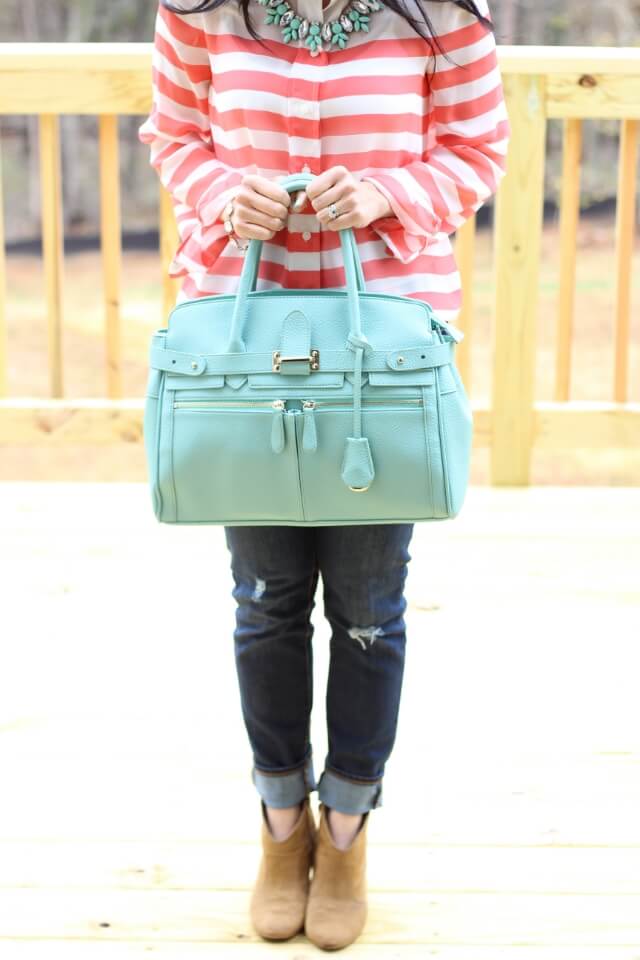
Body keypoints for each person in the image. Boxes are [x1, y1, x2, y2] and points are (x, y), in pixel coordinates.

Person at [138, 0, 510, 949]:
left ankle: (346, 829)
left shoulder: (441, 18)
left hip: (380, 355)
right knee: (264, 599)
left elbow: (476, 149)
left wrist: (392, 196)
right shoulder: (202, 15)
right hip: (243, 349)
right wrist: (225, 193)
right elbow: (176, 133)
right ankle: (279, 824)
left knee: (369, 610)